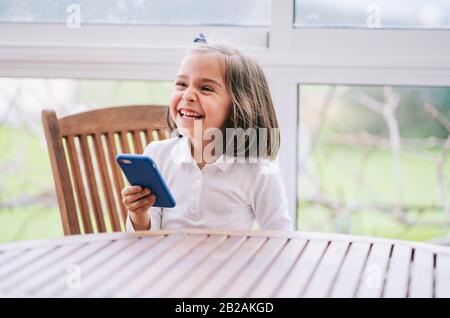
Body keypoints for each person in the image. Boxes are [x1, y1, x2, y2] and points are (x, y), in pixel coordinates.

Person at [122, 35, 292, 231]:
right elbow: (145, 240)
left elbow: (279, 235)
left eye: (206, 88)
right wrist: (138, 214)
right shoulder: (158, 156)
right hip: (169, 261)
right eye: (181, 84)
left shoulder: (257, 169)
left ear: (238, 106)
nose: (187, 95)